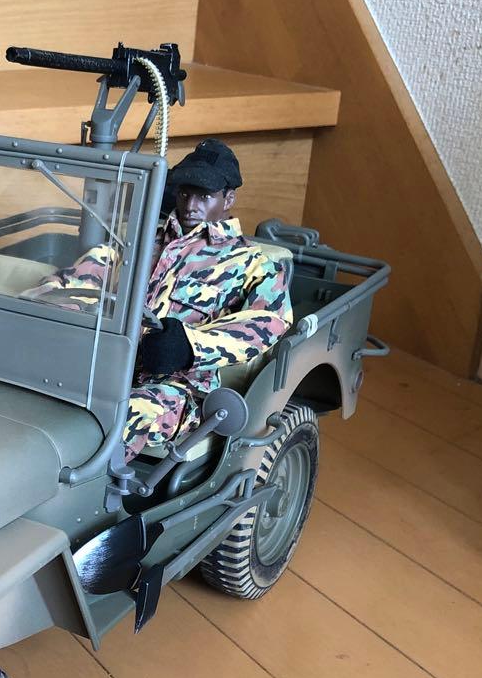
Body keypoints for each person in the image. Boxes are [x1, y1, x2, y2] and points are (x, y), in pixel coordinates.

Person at [26, 138, 293, 461]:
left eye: (204, 196)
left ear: (228, 199)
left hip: (178, 387)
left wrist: (189, 345)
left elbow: (269, 321)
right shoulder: (139, 243)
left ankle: (84, 483)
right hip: (106, 364)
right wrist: (55, 309)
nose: (191, 205)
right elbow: (80, 278)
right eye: (184, 193)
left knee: (118, 422)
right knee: (32, 396)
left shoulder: (250, 262)